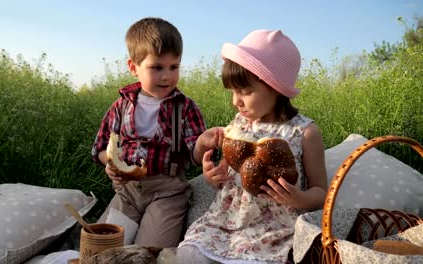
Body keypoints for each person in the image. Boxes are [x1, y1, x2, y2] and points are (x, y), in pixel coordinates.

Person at [177, 29, 328, 263]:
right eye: (233, 92)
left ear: (274, 87)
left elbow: (321, 192)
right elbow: (228, 172)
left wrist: (299, 199)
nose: (235, 101)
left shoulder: (304, 132)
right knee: (188, 254)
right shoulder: (239, 125)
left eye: (244, 92)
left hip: (276, 229)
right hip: (226, 221)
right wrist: (213, 177)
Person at [91, 17, 217, 248]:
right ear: (133, 67)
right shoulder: (122, 106)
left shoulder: (185, 107)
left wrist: (203, 144)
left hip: (168, 193)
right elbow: (100, 147)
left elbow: (195, 157)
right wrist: (109, 163)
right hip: (127, 192)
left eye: (174, 67)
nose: (167, 76)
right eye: (157, 67)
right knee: (102, 247)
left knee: (150, 251)